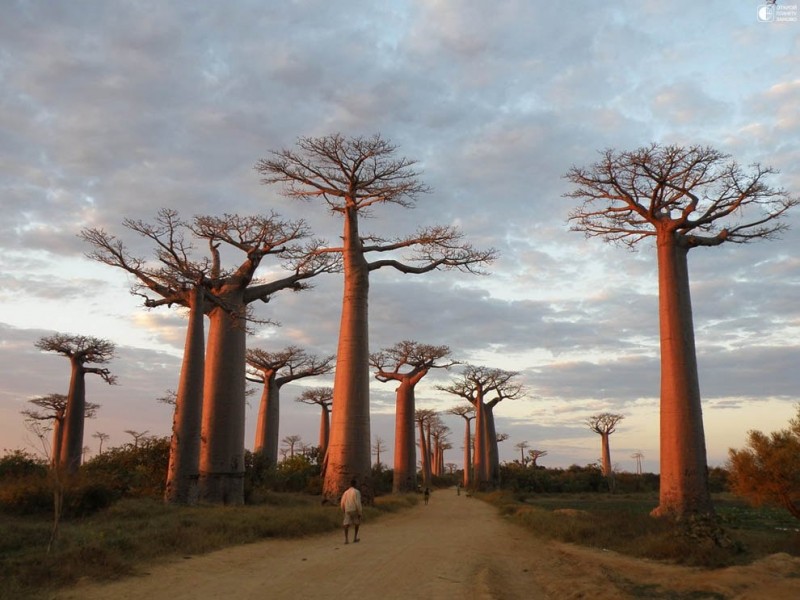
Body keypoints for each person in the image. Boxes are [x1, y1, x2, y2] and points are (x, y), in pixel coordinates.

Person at [340, 479, 362, 544]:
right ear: (355, 484)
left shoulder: (345, 492)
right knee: (357, 523)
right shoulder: (356, 492)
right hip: (354, 509)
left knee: (346, 524)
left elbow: (342, 502)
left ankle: (346, 539)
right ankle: (355, 538)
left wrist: (343, 510)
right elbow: (358, 503)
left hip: (347, 509)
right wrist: (360, 512)